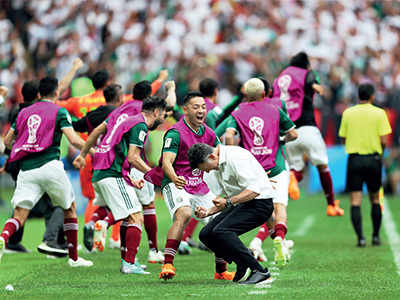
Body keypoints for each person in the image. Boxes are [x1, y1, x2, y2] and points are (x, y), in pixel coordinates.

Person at [0, 74, 93, 267]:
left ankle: (3, 237)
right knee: (70, 208)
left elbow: (7, 141)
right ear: (57, 92)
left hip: (27, 170)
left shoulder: (23, 113)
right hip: (50, 166)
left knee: (19, 215)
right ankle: (74, 258)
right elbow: (74, 139)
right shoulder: (59, 111)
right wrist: (94, 151)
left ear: (39, 93)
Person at [73, 96, 167, 274]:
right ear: (156, 112)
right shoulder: (140, 125)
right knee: (136, 217)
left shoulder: (126, 119)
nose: (163, 119)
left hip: (102, 170)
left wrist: (131, 178)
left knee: (126, 216)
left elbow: (107, 141)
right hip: (111, 173)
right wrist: (152, 174)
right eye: (163, 114)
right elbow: (133, 156)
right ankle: (129, 264)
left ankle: (126, 258)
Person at [219, 78, 297, 266]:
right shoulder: (275, 109)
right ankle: (279, 237)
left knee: (264, 208)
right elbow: (293, 133)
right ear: (264, 94)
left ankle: (275, 239)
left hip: (253, 169)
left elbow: (228, 134)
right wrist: (280, 141)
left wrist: (232, 154)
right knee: (279, 205)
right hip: (275, 166)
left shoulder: (238, 112)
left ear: (245, 95)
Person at [157, 91, 233, 281]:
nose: (201, 111)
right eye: (196, 107)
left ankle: (221, 271)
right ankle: (167, 263)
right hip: (176, 182)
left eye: (203, 107)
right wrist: (174, 178)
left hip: (198, 184)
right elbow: (166, 162)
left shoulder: (209, 133)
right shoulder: (175, 133)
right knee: (184, 213)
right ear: (185, 110)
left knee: (220, 220)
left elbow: (221, 157)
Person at [187, 143, 275, 284]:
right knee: (206, 234)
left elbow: (254, 190)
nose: (208, 172)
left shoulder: (236, 157)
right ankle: (243, 261)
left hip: (260, 203)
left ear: (211, 156)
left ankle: (260, 271)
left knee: (222, 231)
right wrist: (207, 212)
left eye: (206, 168)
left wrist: (227, 202)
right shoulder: (218, 163)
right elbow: (224, 200)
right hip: (243, 203)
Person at [272, 51, 344, 216]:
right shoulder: (307, 73)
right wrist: (315, 86)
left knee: (296, 169)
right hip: (307, 128)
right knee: (322, 166)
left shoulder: (279, 79)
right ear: (306, 65)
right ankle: (331, 204)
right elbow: (312, 79)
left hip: (288, 132)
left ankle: (293, 178)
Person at [339, 83, 392, 247]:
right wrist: (379, 153)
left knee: (355, 200)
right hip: (373, 159)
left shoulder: (348, 113)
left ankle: (360, 238)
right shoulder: (380, 113)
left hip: (354, 159)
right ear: (372, 96)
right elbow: (384, 140)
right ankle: (375, 236)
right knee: (376, 199)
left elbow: (343, 138)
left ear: (358, 96)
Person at [73, 83, 124, 252]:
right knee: (122, 200)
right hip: (112, 162)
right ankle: (115, 238)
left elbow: (76, 127)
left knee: (94, 200)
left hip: (90, 159)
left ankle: (90, 227)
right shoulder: (120, 114)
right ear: (118, 97)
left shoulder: (92, 115)